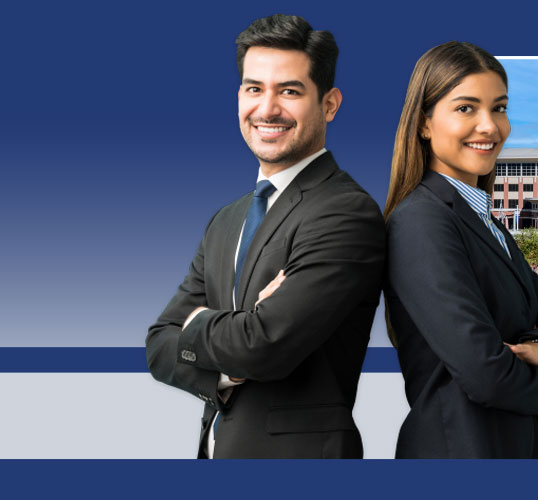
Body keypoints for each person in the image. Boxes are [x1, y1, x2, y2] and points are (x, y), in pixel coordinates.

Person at [145, 14, 385, 459]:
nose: (267, 108)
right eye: (254, 88)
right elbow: (159, 344)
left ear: (329, 104)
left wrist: (197, 325)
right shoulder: (226, 220)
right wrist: (231, 364)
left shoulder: (345, 213)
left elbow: (264, 346)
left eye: (289, 91)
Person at [382, 41, 538, 459]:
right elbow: (484, 372)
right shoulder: (421, 221)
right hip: (459, 451)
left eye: (499, 108)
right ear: (424, 123)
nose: (489, 126)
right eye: (466, 108)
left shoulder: (487, 223)